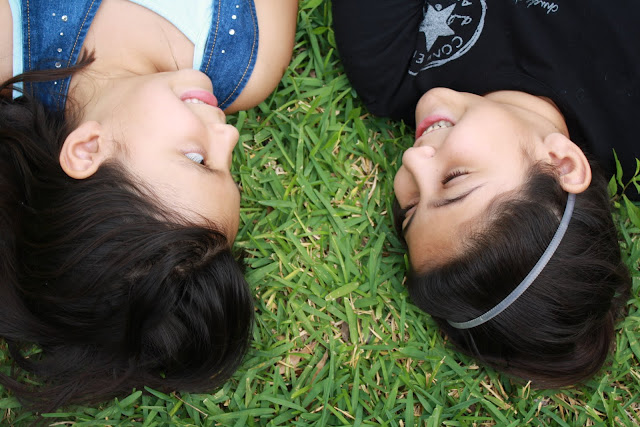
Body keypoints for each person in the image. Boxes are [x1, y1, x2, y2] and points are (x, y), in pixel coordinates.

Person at [0, 0, 297, 410]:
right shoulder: (247, 58)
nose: (229, 136)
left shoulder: (9, 37)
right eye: (230, 169)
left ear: (87, 149)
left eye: (197, 159)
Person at [333, 0, 638, 387]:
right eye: (454, 179)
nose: (412, 160)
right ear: (562, 164)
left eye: (410, 209)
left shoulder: (391, 68)